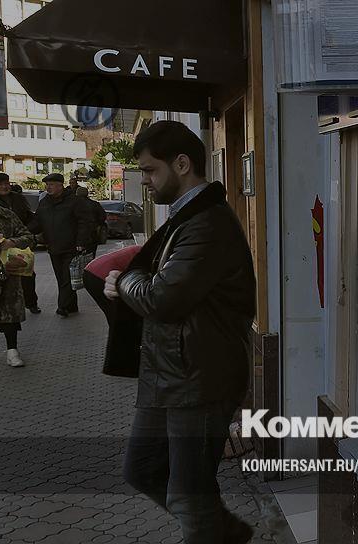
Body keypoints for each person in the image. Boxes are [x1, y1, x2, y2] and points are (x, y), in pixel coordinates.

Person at [102, 121, 256, 544]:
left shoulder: (207, 223)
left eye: (150, 170)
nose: (144, 181)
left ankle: (216, 532)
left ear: (182, 164)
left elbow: (161, 298)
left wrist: (124, 280)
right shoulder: (184, 218)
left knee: (190, 495)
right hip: (169, 373)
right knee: (143, 470)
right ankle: (225, 532)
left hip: (200, 379)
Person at [32, 173, 93, 316]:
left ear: (60, 185)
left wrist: (81, 241)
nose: (48, 187)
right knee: (61, 278)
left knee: (66, 278)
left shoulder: (74, 201)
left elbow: (85, 222)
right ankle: (71, 306)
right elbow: (37, 222)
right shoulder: (44, 202)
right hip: (53, 247)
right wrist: (24, 231)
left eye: (51, 185)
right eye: (47, 185)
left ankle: (62, 306)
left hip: (71, 247)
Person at [0, 189, 38, 367]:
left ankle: (12, 351)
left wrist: (13, 242)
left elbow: (28, 237)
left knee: (8, 313)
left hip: (6, 272)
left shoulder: (6, 215)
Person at [0, 173, 40, 314]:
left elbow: (29, 218)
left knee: (27, 274)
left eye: (6, 183)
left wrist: (26, 232)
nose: (4, 187)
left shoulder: (18, 199)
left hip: (17, 246)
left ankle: (31, 302)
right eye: (0, 184)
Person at [76, 186, 107, 253]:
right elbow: (103, 216)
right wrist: (97, 224)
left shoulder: (73, 204)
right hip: (92, 232)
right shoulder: (94, 204)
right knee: (91, 252)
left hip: (76, 233)